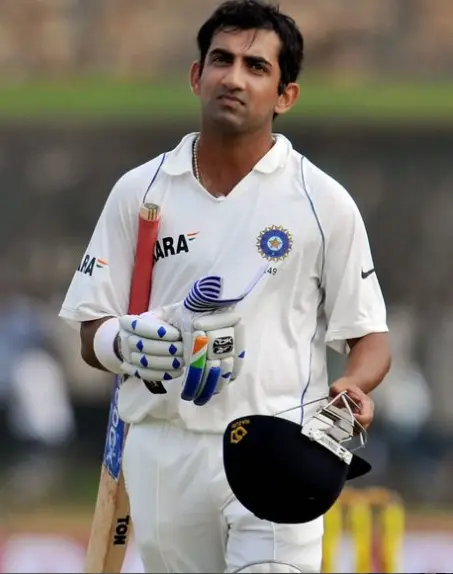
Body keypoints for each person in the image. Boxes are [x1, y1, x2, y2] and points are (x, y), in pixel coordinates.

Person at [59, 1, 391, 572]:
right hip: (164, 452)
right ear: (196, 75)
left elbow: (371, 339)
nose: (234, 77)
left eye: (256, 66)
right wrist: (125, 342)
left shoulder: (323, 202)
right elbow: (91, 329)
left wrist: (355, 386)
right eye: (221, 60)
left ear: (285, 95)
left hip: (278, 447)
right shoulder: (140, 191)